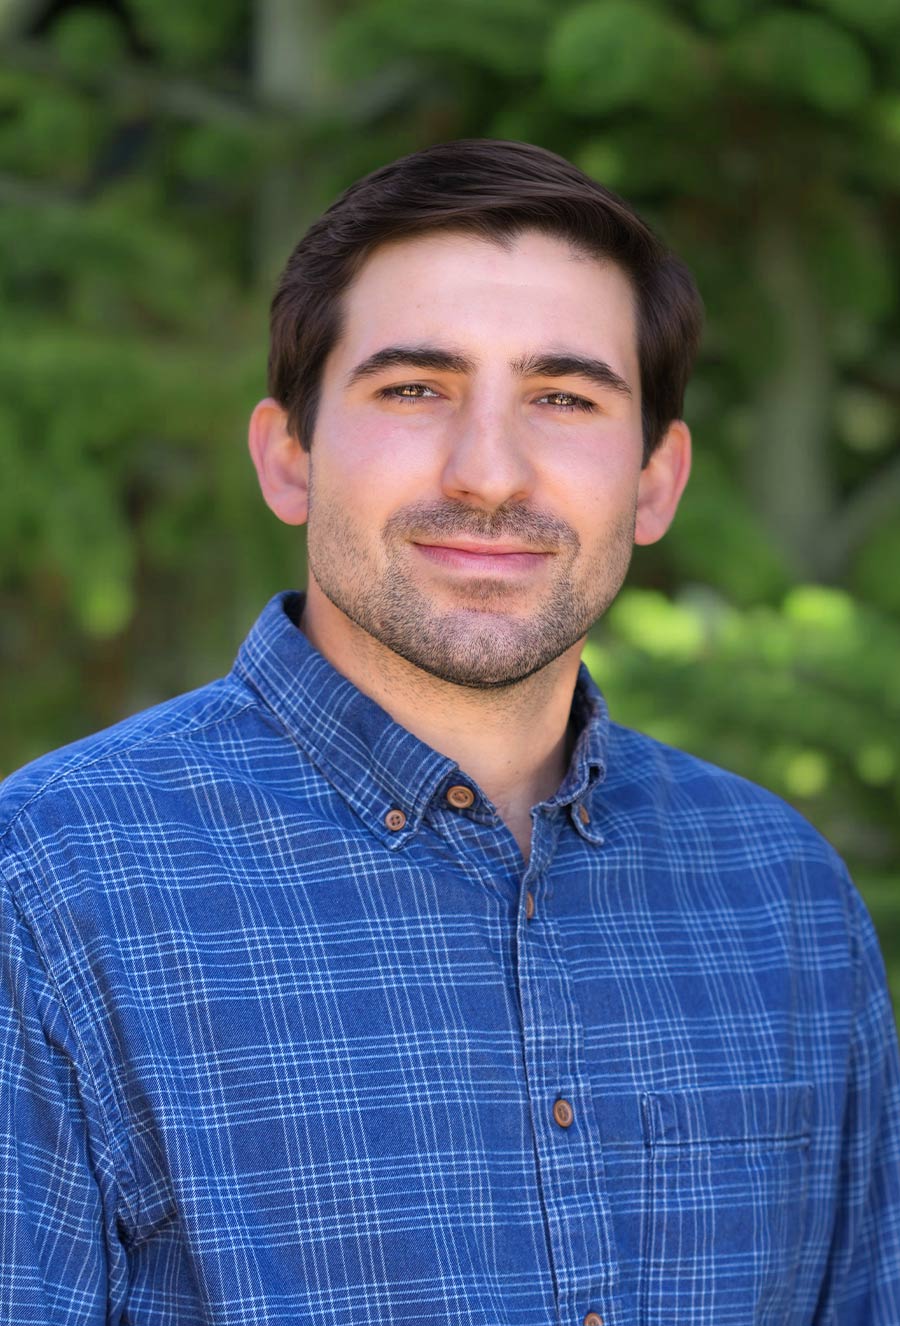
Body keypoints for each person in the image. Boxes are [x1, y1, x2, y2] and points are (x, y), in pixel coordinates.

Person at [1, 139, 898, 1326]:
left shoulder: (781, 899)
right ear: (289, 457)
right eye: (414, 388)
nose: (488, 472)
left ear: (653, 483)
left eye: (565, 399)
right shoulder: (49, 884)